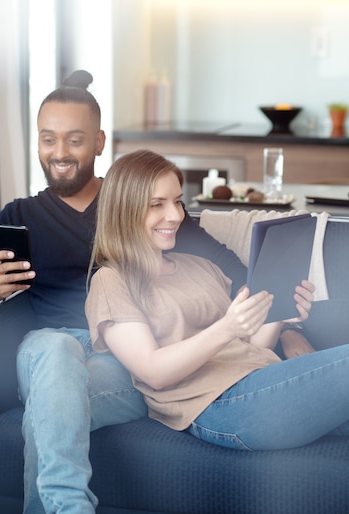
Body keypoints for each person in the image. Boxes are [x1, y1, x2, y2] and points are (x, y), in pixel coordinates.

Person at [0, 71, 251, 513]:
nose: (59, 153)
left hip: (121, 355)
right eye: (47, 139)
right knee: (56, 349)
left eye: (74, 140)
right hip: (49, 348)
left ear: (98, 142)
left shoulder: (139, 204)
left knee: (52, 407)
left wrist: (274, 323)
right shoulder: (19, 212)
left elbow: (231, 270)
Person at [85, 149, 349, 453]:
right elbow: (152, 371)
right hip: (217, 405)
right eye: (157, 204)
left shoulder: (198, 266)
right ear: (124, 211)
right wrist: (226, 328)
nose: (175, 215)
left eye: (177, 201)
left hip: (262, 379)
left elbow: (253, 347)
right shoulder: (111, 280)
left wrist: (282, 313)